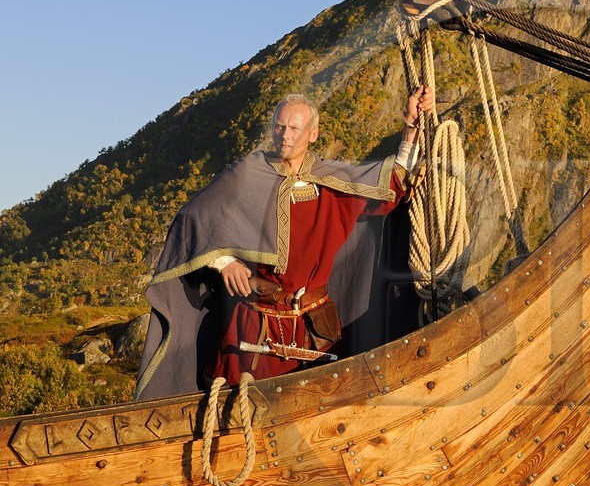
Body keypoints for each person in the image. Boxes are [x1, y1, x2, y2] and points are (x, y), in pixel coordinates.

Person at [135, 87, 432, 400]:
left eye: (294, 128)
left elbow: (389, 183)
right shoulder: (247, 174)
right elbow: (193, 220)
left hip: (315, 329)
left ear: (312, 133)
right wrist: (224, 261)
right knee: (240, 411)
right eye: (279, 126)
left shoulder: (330, 179)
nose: (285, 135)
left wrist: (411, 126)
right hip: (254, 331)